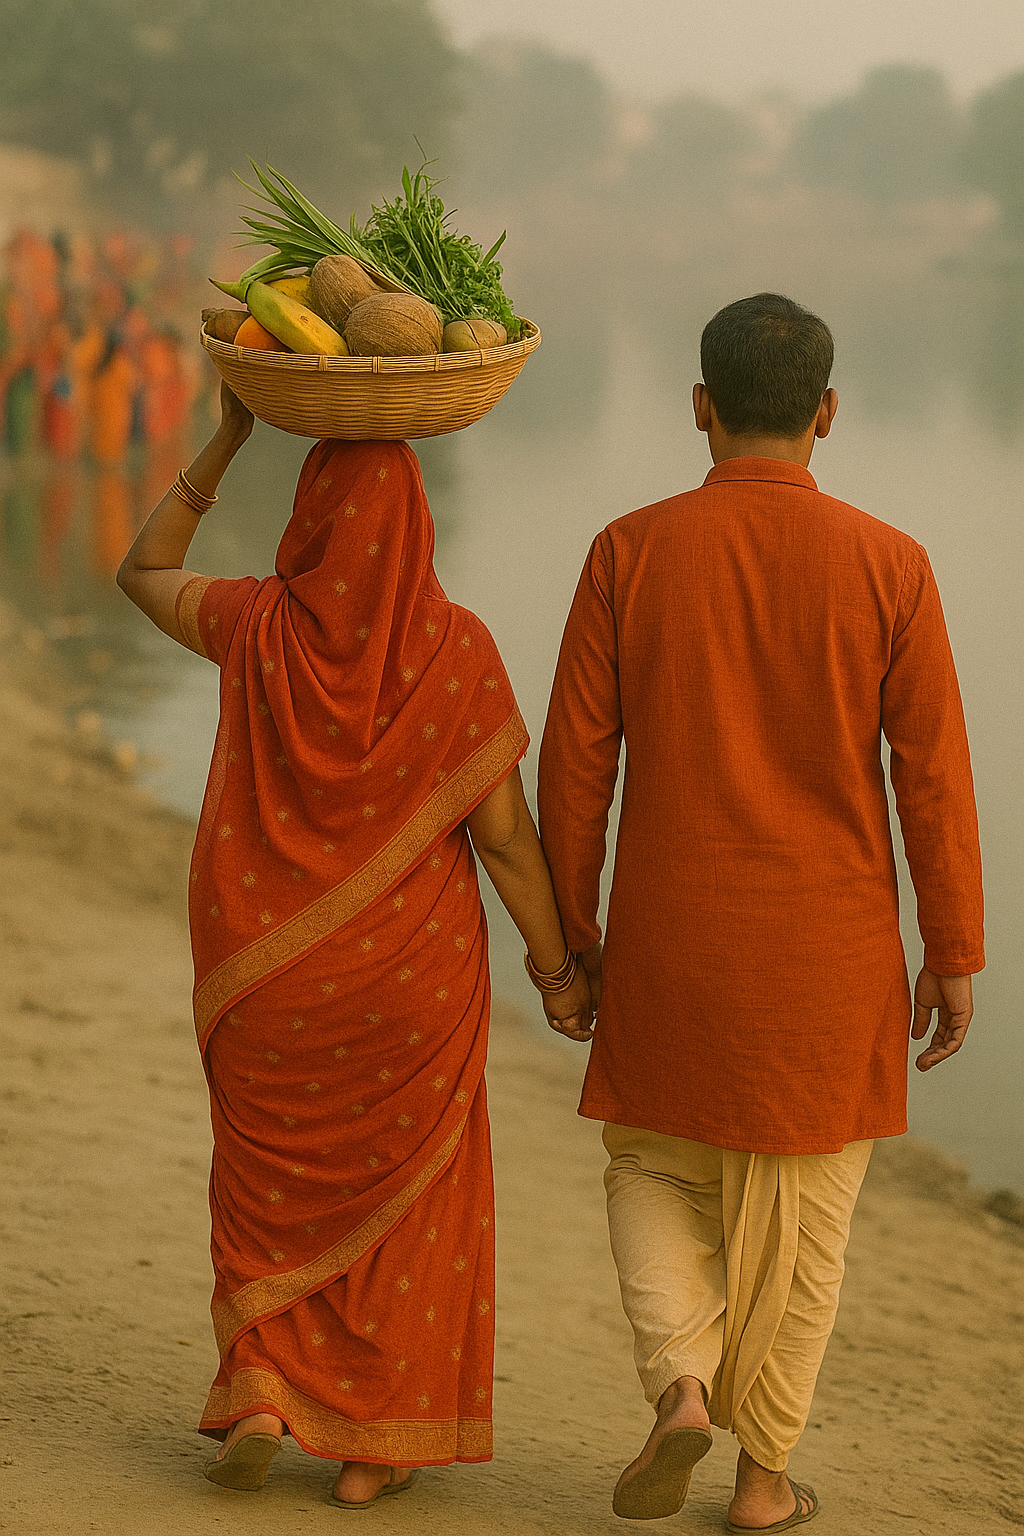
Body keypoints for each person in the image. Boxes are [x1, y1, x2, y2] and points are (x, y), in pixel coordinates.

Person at [536, 293, 984, 1531]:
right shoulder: (891, 564)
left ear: (701, 408)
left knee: (651, 1167)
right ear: (826, 415)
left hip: (673, 944)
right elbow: (931, 775)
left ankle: (681, 1383)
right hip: (828, 959)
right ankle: (765, 1477)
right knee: (809, 1223)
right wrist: (951, 951)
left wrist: (568, 944)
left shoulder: (628, 549)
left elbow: (575, 768)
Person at [117, 383, 591, 1507]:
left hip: (265, 977)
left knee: (270, 1192)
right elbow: (510, 844)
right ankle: (375, 1450)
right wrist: (561, 972)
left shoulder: (258, 623)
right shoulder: (458, 652)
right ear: (417, 525)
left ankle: (268, 1387)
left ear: (308, 519)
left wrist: (223, 442)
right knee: (408, 1206)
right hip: (408, 988)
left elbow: (140, 573)